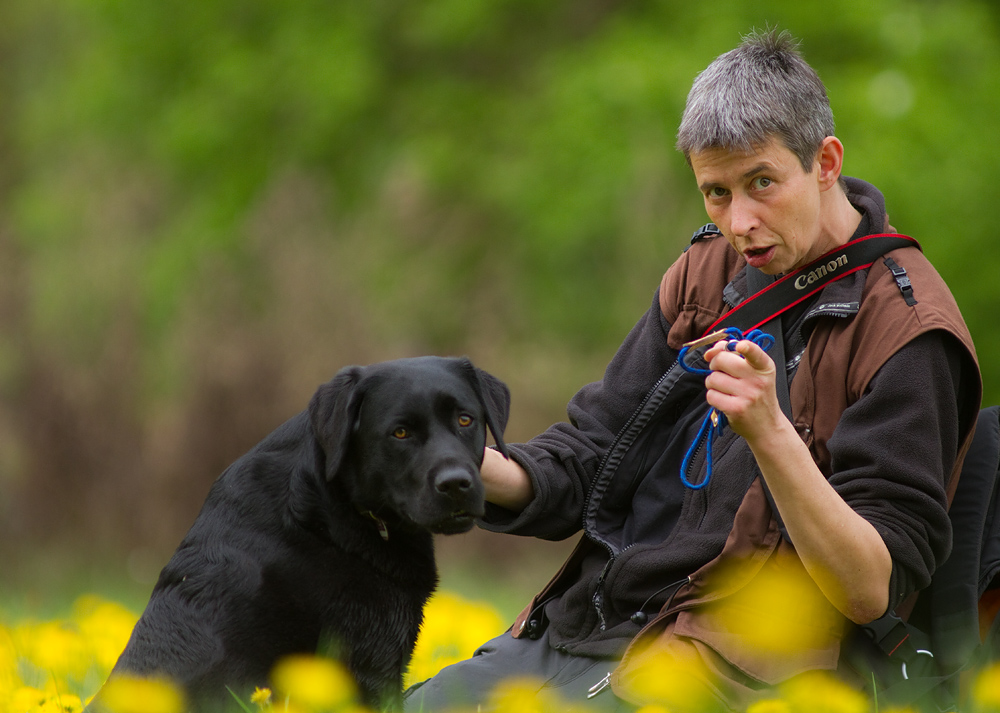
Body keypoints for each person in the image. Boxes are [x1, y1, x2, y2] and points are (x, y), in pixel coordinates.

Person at [404, 28, 982, 712]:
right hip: (594, 619)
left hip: (738, 664)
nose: (740, 221)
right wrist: (460, 462)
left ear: (825, 161)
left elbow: (869, 588)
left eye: (762, 183)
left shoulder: (907, 330)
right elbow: (592, 451)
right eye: (715, 192)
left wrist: (771, 434)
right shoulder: (704, 274)